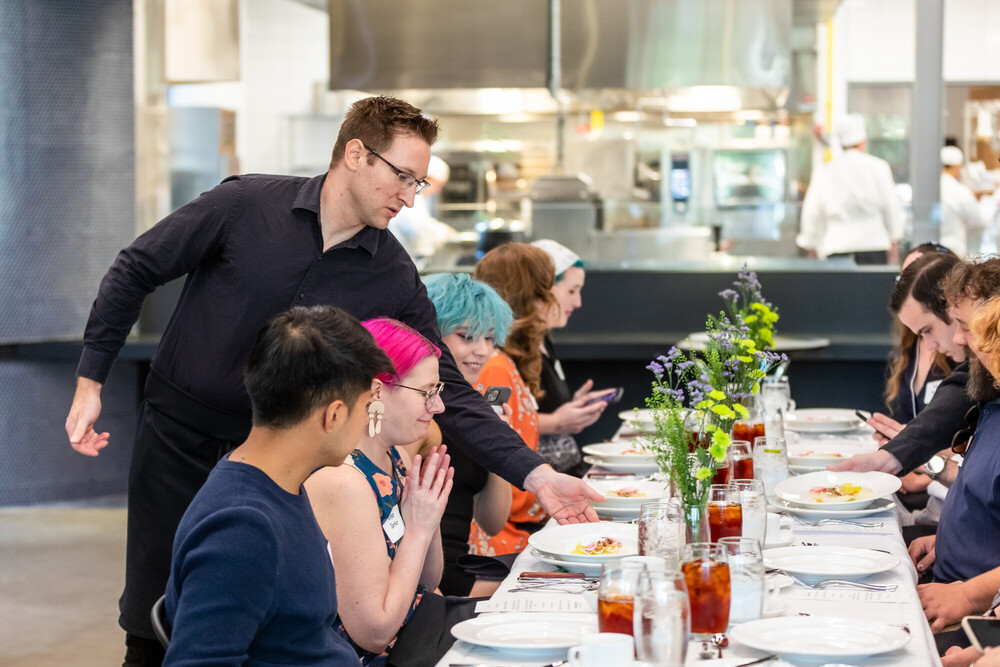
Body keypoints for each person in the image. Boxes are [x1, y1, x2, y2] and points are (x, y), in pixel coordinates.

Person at [64, 95, 601, 664]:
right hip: (181, 439)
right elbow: (136, 267)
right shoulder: (245, 204)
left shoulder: (392, 272)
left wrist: (537, 475)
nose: (409, 197)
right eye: (402, 176)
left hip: (290, 464)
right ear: (354, 153)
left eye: (418, 183)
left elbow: (449, 388)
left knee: (281, 621)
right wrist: (91, 378)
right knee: (154, 623)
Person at [163, 305, 393, 665]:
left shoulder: (281, 485)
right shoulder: (243, 530)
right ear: (333, 416)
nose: (369, 419)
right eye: (367, 405)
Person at [306, 318, 453, 666]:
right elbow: (374, 634)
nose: (438, 407)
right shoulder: (342, 479)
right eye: (426, 393)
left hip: (414, 639)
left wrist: (429, 517)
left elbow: (427, 583)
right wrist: (418, 529)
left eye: (439, 392)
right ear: (375, 392)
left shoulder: (395, 456)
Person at [904, 259, 1000, 637]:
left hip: (974, 615)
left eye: (966, 327)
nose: (958, 340)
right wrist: (947, 541)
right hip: (947, 577)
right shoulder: (991, 400)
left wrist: (967, 594)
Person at [831, 252, 970, 479]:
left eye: (928, 331)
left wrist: (902, 453)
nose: (930, 345)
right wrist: (894, 454)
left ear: (953, 306)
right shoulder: (970, 366)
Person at [422, 272, 514, 596]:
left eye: (488, 338)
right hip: (433, 574)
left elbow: (492, 521)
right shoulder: (420, 413)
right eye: (467, 336)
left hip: (463, 563)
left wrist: (496, 439)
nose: (482, 350)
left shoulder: (474, 407)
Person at [471, 242, 560, 554]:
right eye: (550, 288)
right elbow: (498, 483)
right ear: (533, 298)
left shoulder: (506, 361)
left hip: (519, 523)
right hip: (505, 535)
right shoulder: (495, 366)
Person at [530, 239, 611, 476]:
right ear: (542, 289)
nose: (578, 302)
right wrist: (556, 422)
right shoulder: (505, 349)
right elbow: (498, 422)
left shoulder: (544, 339)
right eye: (572, 291)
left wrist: (572, 407)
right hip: (537, 490)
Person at [797, 113, 905, 264]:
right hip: (874, 245)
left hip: (837, 246)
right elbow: (892, 206)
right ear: (863, 141)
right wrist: (895, 238)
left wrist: (810, 243)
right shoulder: (879, 167)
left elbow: (812, 210)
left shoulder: (825, 171)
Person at [388, 155, 456, 265]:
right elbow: (417, 229)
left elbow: (424, 222)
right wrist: (444, 233)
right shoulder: (412, 197)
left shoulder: (418, 198)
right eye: (438, 186)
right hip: (401, 258)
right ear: (428, 179)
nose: (437, 191)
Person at [940, 145, 986, 258]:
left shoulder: (930, 187)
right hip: (954, 250)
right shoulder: (960, 191)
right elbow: (977, 219)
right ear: (957, 166)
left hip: (931, 249)